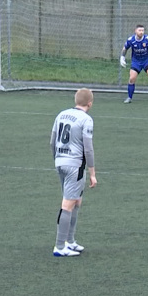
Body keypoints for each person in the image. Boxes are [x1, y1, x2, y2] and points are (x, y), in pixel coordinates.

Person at [50, 88, 97, 257]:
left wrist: (56, 159)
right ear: (89, 103)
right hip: (75, 165)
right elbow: (88, 149)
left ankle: (70, 241)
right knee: (68, 204)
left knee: (76, 201)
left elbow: (52, 141)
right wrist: (92, 172)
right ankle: (59, 246)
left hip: (60, 161)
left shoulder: (61, 114)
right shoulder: (86, 119)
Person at [119, 24, 148, 104]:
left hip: (147, 61)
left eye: (142, 30)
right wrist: (122, 57)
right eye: (139, 30)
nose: (141, 32)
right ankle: (129, 97)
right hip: (136, 62)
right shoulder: (131, 40)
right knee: (132, 78)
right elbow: (125, 48)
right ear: (135, 31)